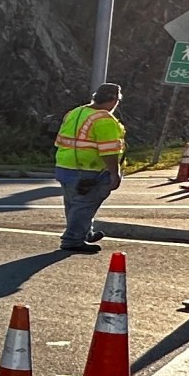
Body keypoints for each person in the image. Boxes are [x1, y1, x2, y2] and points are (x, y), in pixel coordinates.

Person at [53, 83, 126, 252]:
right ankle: (72, 239)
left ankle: (85, 233)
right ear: (114, 100)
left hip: (65, 165)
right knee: (84, 205)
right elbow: (108, 151)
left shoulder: (75, 112)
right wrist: (114, 173)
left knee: (74, 203)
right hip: (90, 169)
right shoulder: (104, 119)